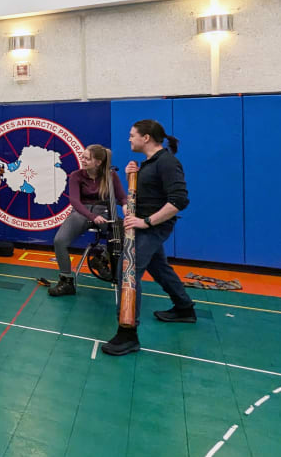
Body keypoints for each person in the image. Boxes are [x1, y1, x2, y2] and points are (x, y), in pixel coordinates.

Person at [101, 120, 193, 357]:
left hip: (151, 227)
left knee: (127, 272)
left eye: (133, 135)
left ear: (147, 138)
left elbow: (179, 200)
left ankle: (128, 333)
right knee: (159, 267)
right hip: (141, 224)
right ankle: (184, 308)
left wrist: (146, 222)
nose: (129, 139)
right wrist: (135, 175)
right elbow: (150, 193)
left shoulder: (167, 162)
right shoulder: (151, 163)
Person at [49, 145, 127, 297]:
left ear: (98, 162)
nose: (82, 160)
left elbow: (122, 196)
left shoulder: (111, 175)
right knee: (59, 240)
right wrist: (92, 217)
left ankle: (100, 258)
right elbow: (75, 202)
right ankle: (66, 281)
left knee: (124, 234)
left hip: (104, 212)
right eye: (82, 156)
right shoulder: (76, 176)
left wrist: (125, 205)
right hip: (81, 212)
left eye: (87, 158)